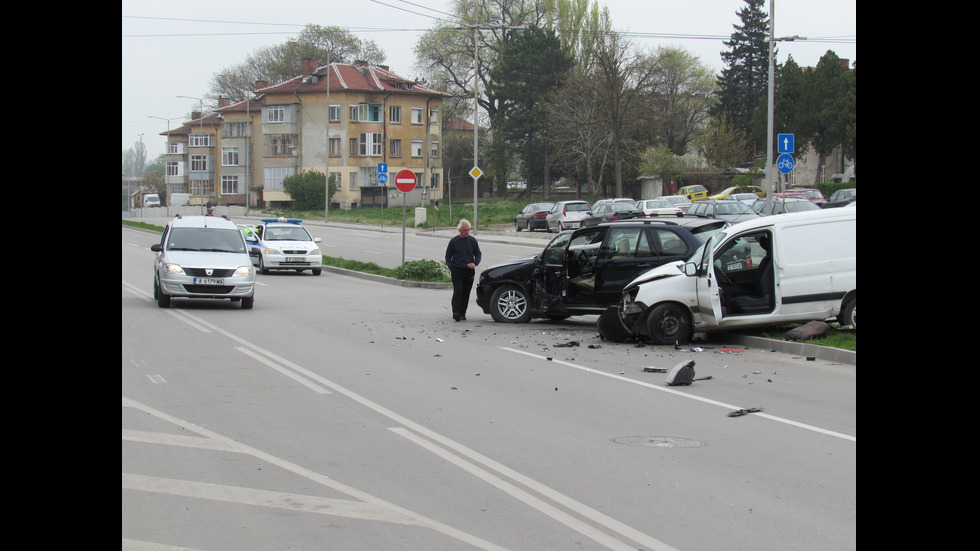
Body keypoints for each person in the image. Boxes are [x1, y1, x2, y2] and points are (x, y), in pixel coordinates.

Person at [445, 219, 482, 321]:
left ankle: (462, 313)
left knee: (466, 292)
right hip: (457, 270)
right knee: (458, 290)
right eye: (465, 230)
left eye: (469, 230)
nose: (467, 232)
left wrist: (475, 263)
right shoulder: (454, 241)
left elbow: (478, 254)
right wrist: (451, 267)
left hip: (469, 271)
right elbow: (448, 256)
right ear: (460, 230)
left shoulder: (472, 241)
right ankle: (456, 312)